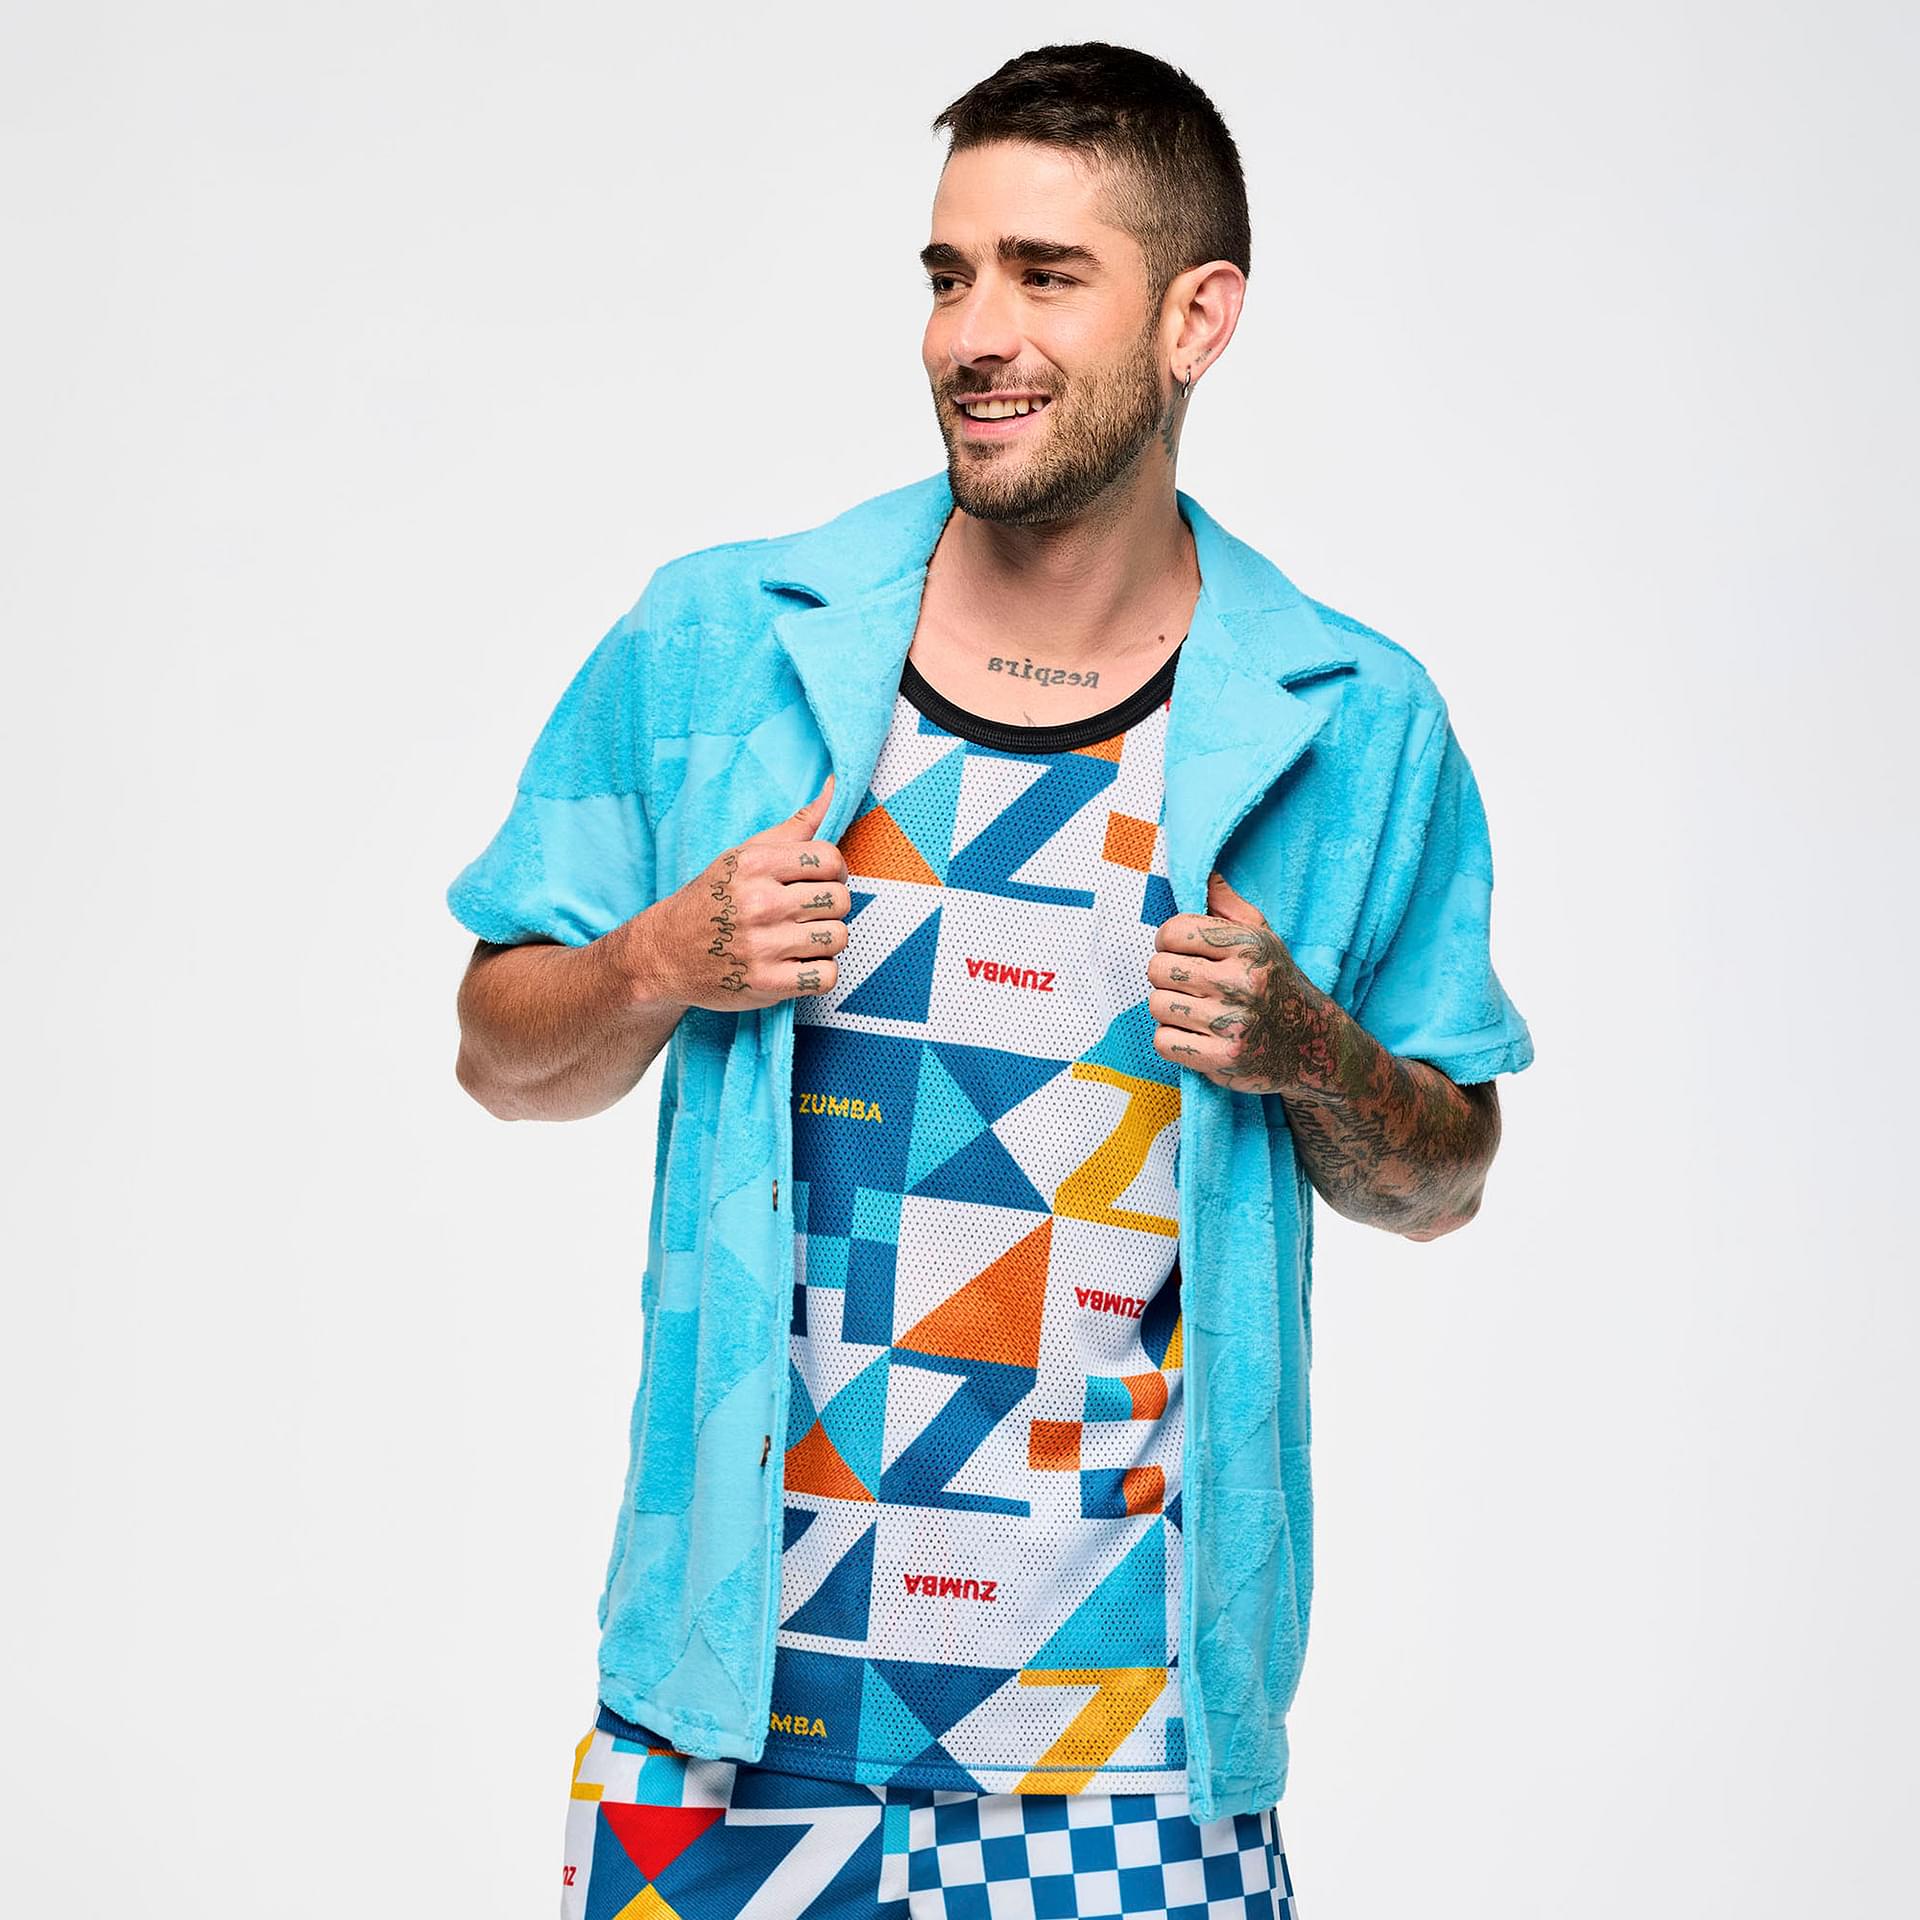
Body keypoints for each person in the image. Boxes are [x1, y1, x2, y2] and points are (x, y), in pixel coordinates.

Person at [448, 39, 1533, 1920]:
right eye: (950, 275)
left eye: (1047, 274)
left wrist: (1311, 1052)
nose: (975, 334)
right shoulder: (722, 640)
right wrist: (656, 958)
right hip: (719, 1740)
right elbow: (497, 1050)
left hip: (1138, 1764)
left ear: (1197, 319)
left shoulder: (1353, 723)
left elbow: (1445, 1175)